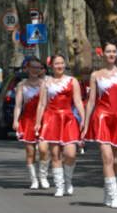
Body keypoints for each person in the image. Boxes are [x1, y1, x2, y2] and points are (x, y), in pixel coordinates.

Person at [81, 42, 117, 208]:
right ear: (102, 54)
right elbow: (91, 103)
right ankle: (114, 194)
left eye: (114, 52)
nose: (111, 54)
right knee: (108, 157)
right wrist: (84, 124)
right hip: (102, 118)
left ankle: (108, 188)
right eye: (108, 52)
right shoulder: (95, 75)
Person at [35, 55, 85, 198]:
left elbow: (78, 101)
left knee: (70, 154)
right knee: (56, 155)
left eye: (62, 63)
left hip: (68, 118)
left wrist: (83, 119)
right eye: (57, 63)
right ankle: (59, 185)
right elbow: (42, 104)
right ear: (52, 66)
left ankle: (68, 180)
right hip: (51, 119)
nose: (59, 66)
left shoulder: (72, 81)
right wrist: (38, 121)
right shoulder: (45, 83)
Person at [12, 58, 50, 189]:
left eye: (38, 67)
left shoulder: (45, 84)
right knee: (30, 152)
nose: (35, 70)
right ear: (27, 68)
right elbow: (18, 105)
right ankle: (34, 180)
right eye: (33, 67)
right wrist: (15, 120)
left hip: (43, 120)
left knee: (44, 150)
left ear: (42, 69)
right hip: (27, 120)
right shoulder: (21, 85)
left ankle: (43, 176)